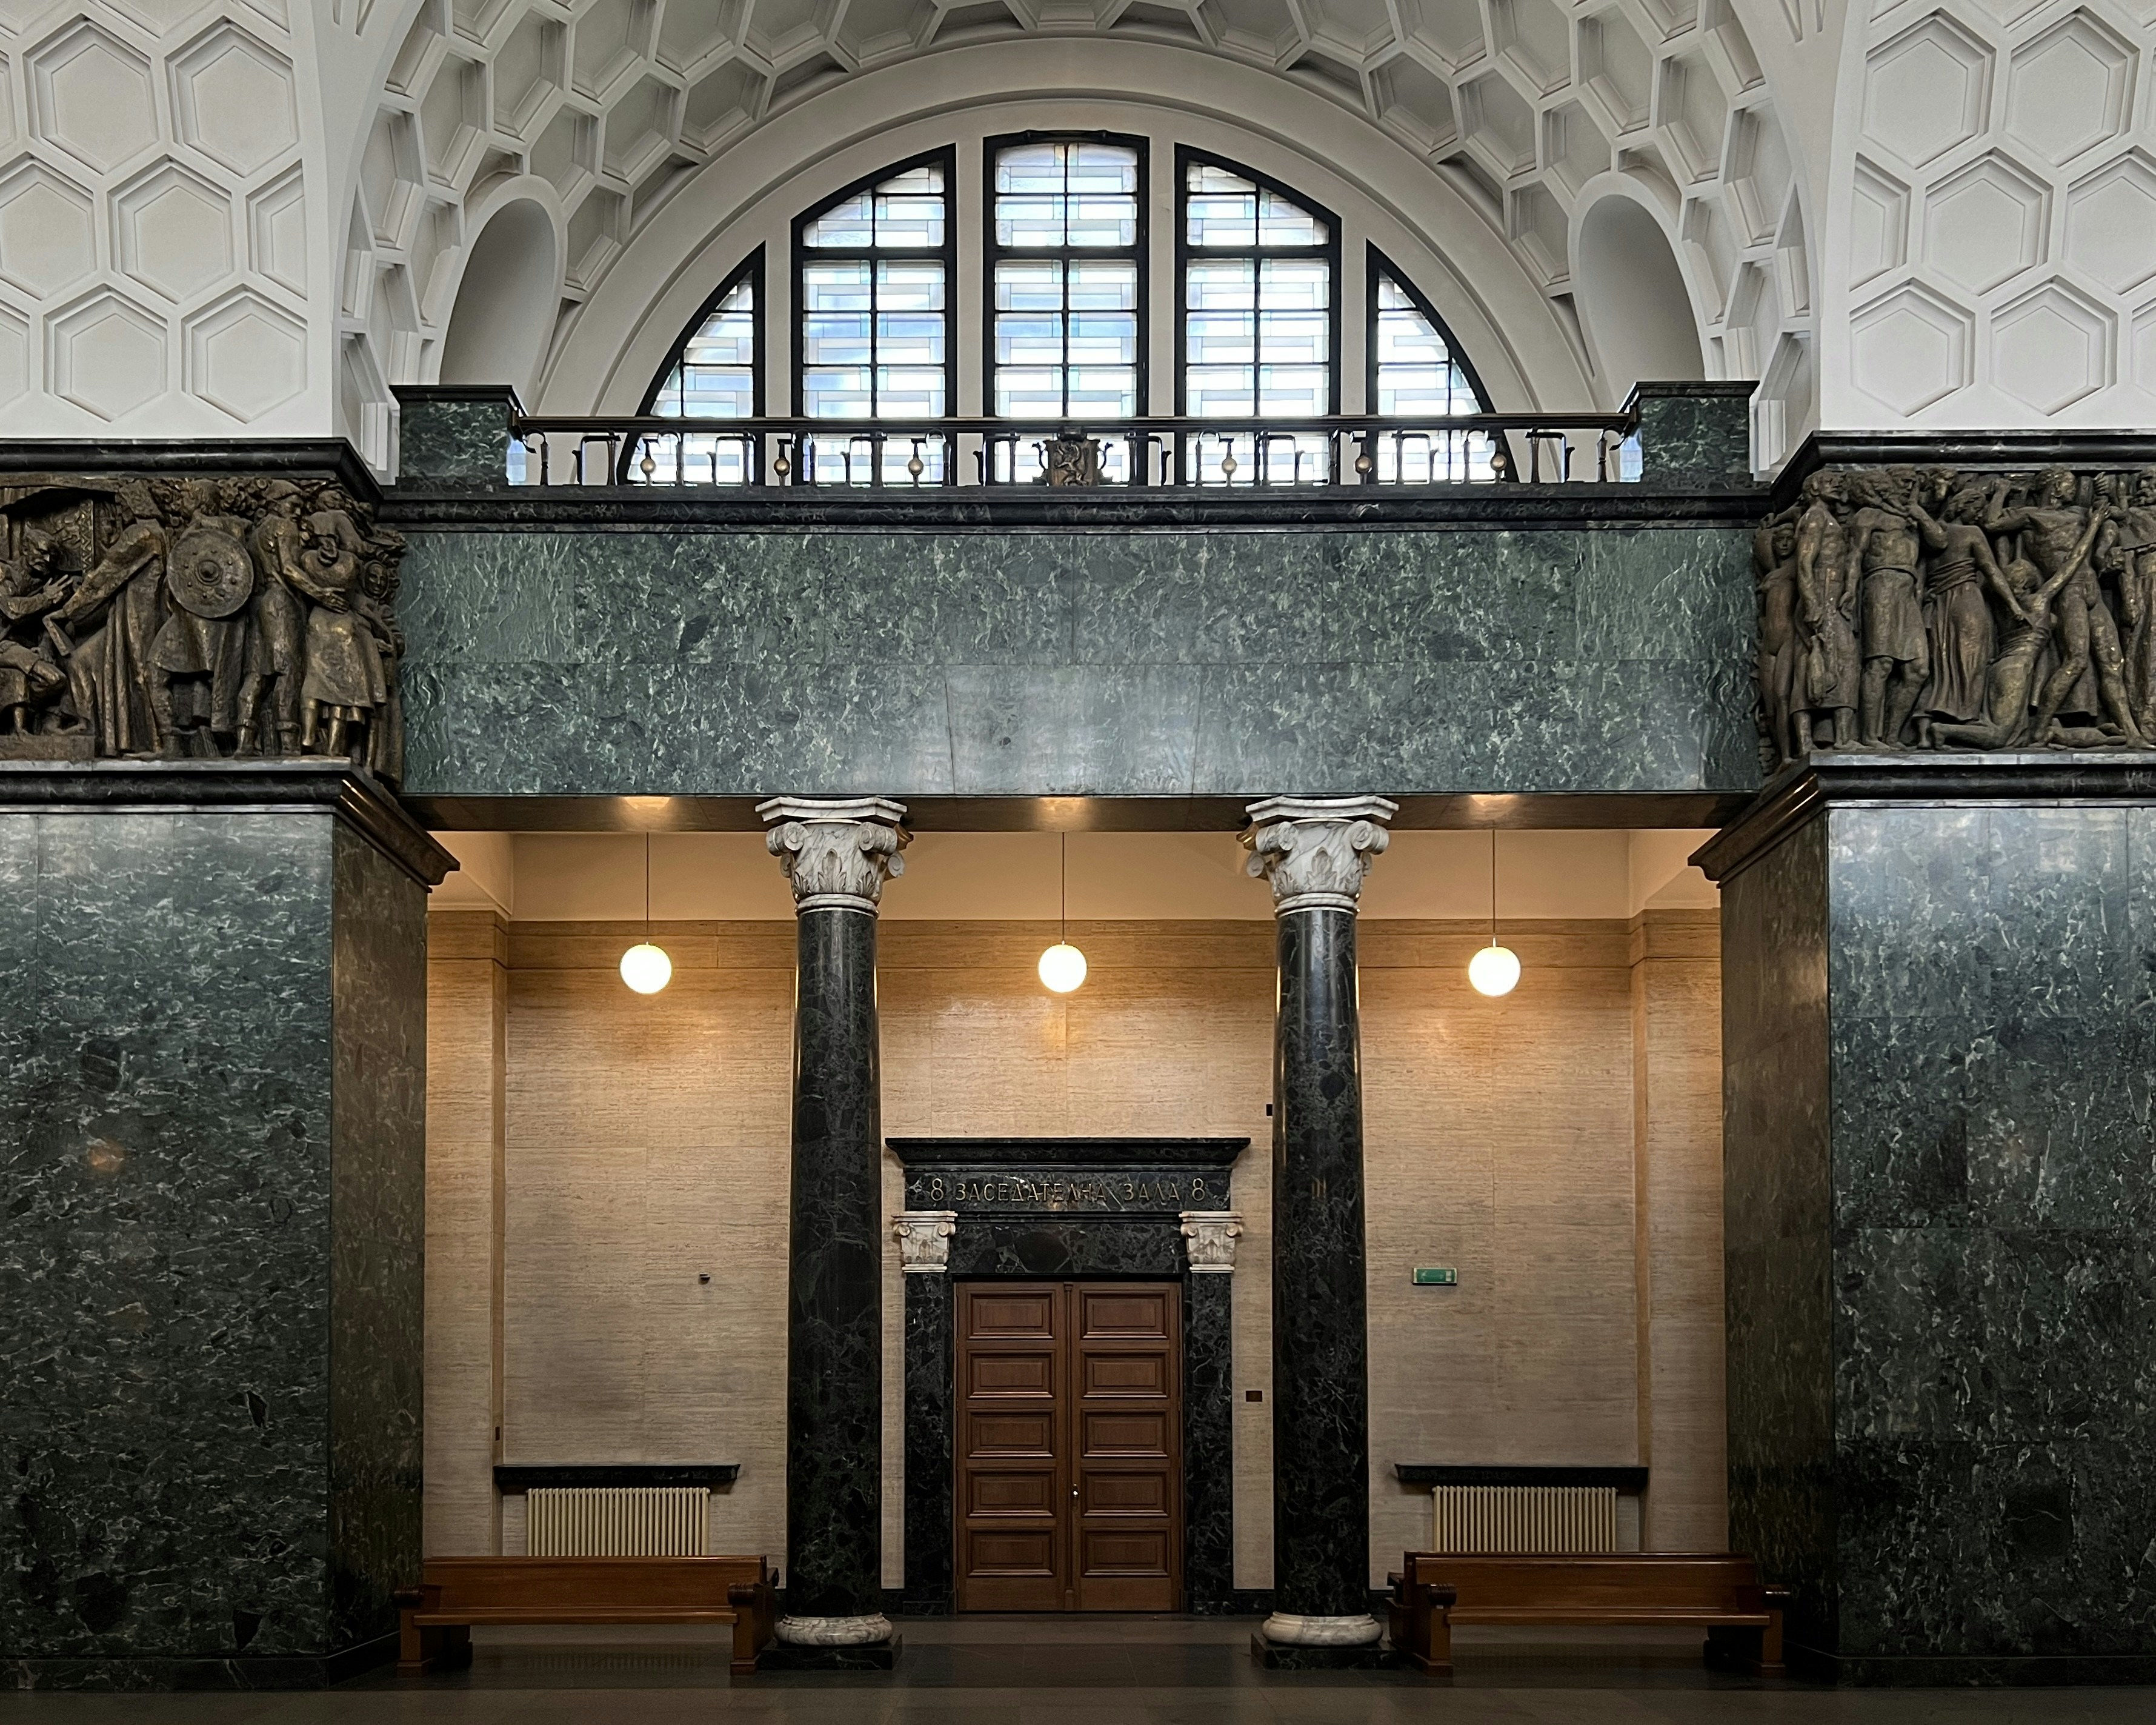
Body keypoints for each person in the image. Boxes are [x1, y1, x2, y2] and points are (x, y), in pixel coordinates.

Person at [1986, 469, 2146, 747]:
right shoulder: (2032, 517)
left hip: (2091, 587)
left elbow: (2118, 516)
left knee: (2112, 663)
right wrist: (2001, 492)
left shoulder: (2079, 514)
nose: (2073, 489)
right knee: (2076, 661)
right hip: (2068, 591)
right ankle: (2040, 727)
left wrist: (2103, 492)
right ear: (2056, 487)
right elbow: (1992, 524)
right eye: (2069, 484)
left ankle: (2132, 734)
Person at [1934, 505, 2112, 750]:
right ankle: (1942, 731)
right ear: (2028, 583)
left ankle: (2112, 738)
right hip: (2016, 671)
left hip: (2001, 668)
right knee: (1999, 738)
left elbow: (1999, 562)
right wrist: (2093, 526)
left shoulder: (2001, 603)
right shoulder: (2038, 601)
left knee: (2026, 736)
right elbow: (2072, 563)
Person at [1906, 475, 2009, 745]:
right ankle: (1966, 719)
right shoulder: (1972, 534)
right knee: (1971, 661)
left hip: (1936, 606)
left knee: (1940, 668)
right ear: (1963, 507)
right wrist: (2014, 604)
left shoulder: (1931, 535)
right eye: (1976, 509)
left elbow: (1920, 577)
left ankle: (1923, 731)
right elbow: (1992, 571)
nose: (1978, 516)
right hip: (1966, 602)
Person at [1845, 474, 1931, 747]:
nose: (1909, 486)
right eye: (1904, 481)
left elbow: (1939, 542)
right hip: (1881, 585)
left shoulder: (1912, 518)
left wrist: (1919, 513)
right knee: (1880, 664)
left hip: (1909, 592)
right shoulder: (1869, 515)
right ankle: (1870, 736)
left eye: (1913, 482)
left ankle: (1892, 735)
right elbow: (1856, 554)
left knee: (1919, 670)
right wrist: (1849, 589)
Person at [1792, 472, 1860, 750]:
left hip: (1832, 593)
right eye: (1829, 481)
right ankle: (1807, 741)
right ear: (1815, 488)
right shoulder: (1815, 517)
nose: (1837, 485)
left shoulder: (1825, 517)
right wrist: (1812, 603)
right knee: (1815, 662)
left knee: (1844, 662)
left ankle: (1843, 738)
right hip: (1821, 591)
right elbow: (1804, 563)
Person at [1752, 512, 1802, 765]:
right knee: (1771, 705)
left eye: (1787, 539)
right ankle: (1781, 753)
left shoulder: (1796, 570)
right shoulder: (1772, 573)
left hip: (1788, 639)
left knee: (1783, 697)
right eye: (1778, 540)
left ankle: (1788, 755)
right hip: (1769, 643)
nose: (1783, 544)